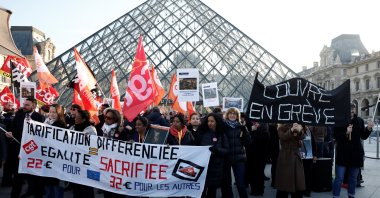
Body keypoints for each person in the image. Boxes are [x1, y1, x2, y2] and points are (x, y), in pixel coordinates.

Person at [5, 97, 45, 198]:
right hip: (18, 153)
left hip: (33, 153)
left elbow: (41, 136)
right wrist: (10, 134)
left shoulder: (40, 118)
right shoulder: (19, 115)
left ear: (34, 106)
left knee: (36, 179)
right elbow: (13, 129)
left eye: (27, 105)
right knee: (17, 179)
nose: (24, 106)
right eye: (24, 104)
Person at [332, 103, 373, 198]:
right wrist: (346, 132)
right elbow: (336, 136)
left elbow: (363, 136)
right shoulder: (340, 121)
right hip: (343, 154)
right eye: (350, 109)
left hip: (356, 154)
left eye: (353, 109)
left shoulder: (359, 121)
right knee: (339, 178)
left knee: (353, 178)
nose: (352, 110)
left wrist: (368, 129)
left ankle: (351, 195)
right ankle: (336, 196)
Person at [196, 113, 229, 198]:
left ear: (217, 122)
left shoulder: (222, 134)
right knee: (202, 189)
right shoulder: (202, 133)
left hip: (216, 166)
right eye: (208, 121)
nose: (209, 123)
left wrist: (217, 150)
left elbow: (226, 150)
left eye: (212, 121)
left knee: (212, 190)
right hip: (204, 165)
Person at [221, 107, 251, 198]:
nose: (232, 115)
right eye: (230, 113)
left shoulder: (242, 127)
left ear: (237, 116)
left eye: (234, 114)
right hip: (226, 158)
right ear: (227, 115)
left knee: (240, 184)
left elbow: (248, 143)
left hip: (239, 158)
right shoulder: (223, 127)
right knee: (226, 184)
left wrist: (245, 132)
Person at [70, 109, 96, 198]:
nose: (75, 119)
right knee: (76, 188)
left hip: (86, 163)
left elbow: (94, 148)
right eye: (75, 117)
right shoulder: (73, 127)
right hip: (75, 161)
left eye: (77, 118)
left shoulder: (91, 130)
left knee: (86, 189)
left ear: (84, 119)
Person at [275, 123, 305, 198]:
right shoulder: (281, 127)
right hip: (285, 156)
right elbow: (283, 137)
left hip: (295, 157)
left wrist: (300, 130)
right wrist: (291, 130)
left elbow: (302, 137)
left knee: (297, 183)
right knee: (283, 185)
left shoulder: (297, 125)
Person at [44, 104, 66, 198]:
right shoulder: (45, 122)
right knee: (49, 187)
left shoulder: (61, 125)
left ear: (59, 113)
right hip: (47, 157)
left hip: (57, 159)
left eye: (54, 112)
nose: (52, 114)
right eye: (50, 112)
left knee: (57, 187)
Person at [246, 121, 269, 196]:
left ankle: (256, 190)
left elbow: (252, 140)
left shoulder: (263, 133)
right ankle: (259, 189)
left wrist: (252, 131)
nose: (256, 124)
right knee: (259, 173)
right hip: (258, 156)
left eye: (257, 123)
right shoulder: (265, 133)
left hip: (256, 156)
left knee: (256, 174)